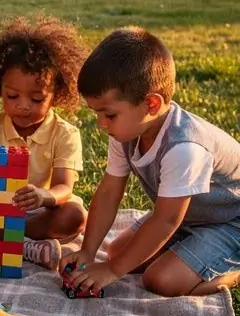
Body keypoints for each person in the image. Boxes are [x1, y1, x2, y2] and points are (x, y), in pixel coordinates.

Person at [63, 27, 240, 296]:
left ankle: (234, 271)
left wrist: (111, 271)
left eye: (109, 114)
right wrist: (88, 251)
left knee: (160, 280)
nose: (100, 124)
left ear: (152, 105)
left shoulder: (184, 148)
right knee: (117, 250)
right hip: (190, 218)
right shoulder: (126, 130)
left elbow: (166, 221)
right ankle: (189, 252)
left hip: (230, 222)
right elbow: (110, 191)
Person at [0, 17, 87, 270]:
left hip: (38, 213)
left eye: (37, 98)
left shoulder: (66, 134)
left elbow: (64, 185)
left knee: (75, 216)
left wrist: (44, 195)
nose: (23, 105)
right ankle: (23, 245)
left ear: (57, 95)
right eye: (12, 96)